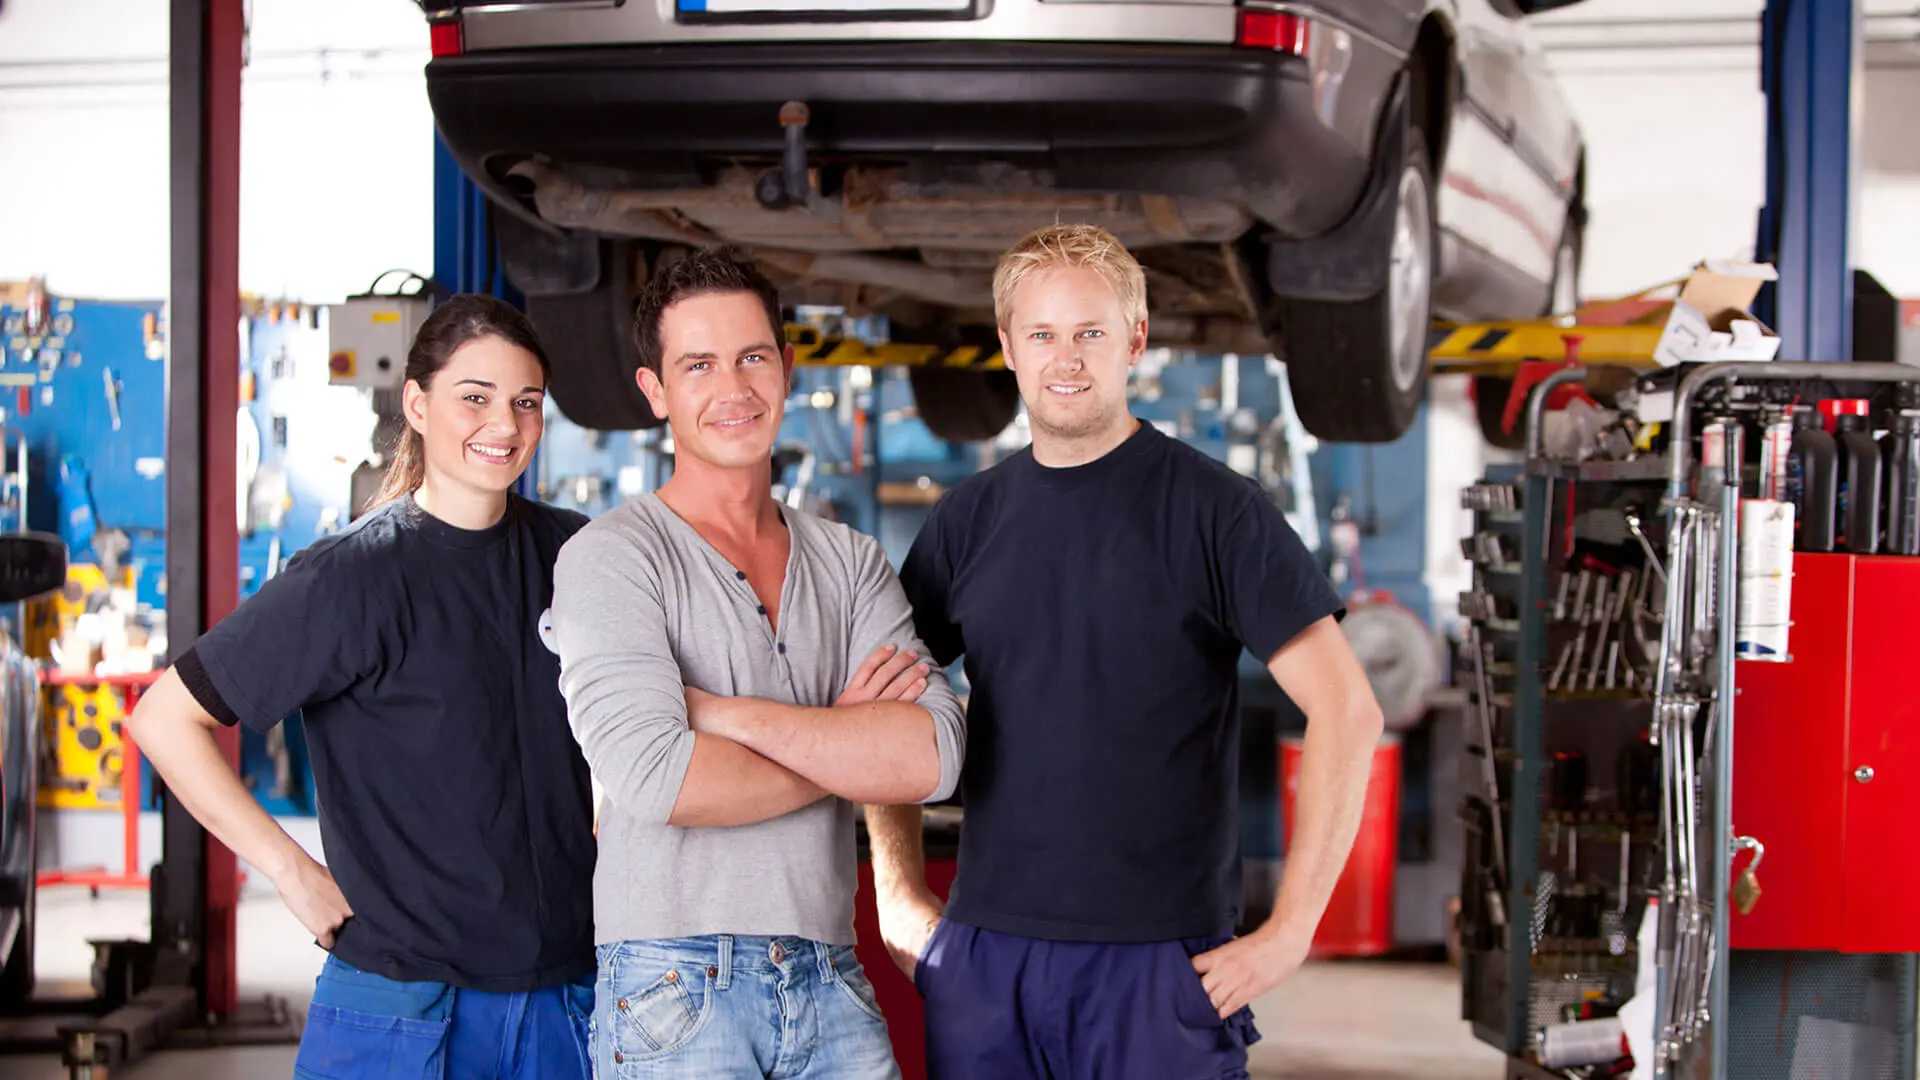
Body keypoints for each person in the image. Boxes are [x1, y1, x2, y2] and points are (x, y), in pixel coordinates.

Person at [867, 223, 1387, 1079]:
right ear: (1006, 347)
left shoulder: (1218, 512)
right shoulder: (969, 519)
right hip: (988, 961)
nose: (1065, 359)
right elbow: (888, 706)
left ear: (1134, 341)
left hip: (1160, 966)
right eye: (1041, 335)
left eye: (1090, 333)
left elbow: (1348, 710)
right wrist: (898, 894)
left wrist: (1289, 932)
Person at [124, 294, 597, 1079]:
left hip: (563, 1000)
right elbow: (167, 719)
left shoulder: (574, 554)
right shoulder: (351, 577)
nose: (504, 426)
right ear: (417, 403)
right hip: (401, 1006)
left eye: (525, 403)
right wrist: (289, 869)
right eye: (474, 398)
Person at [551, 246, 967, 1079]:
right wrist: (847, 746)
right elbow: (660, 780)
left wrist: (730, 717)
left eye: (751, 356)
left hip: (831, 976)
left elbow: (934, 755)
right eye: (698, 364)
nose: (733, 388)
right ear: (656, 392)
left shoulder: (849, 561)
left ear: (783, 366)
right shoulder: (611, 558)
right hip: (672, 986)